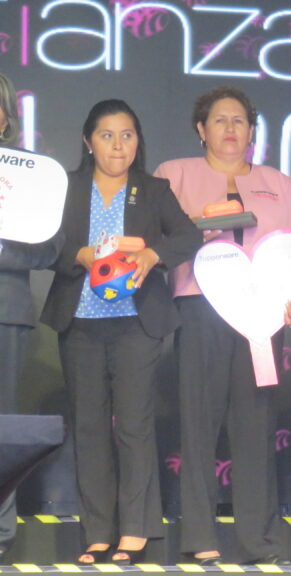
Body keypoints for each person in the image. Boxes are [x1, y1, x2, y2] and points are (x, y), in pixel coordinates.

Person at [40, 99, 201, 565]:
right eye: (107, 135)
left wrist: (153, 255)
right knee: (89, 428)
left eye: (127, 135)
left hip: (137, 323)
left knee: (134, 426)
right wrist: (79, 254)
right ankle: (97, 533)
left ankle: (134, 531)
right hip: (80, 322)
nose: (118, 145)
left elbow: (188, 235)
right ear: (88, 142)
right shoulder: (68, 188)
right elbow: (45, 243)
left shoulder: (153, 190)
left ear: (137, 141)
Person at [154, 86, 291, 566]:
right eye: (220, 120)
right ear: (201, 129)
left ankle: (259, 541)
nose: (230, 129)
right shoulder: (174, 174)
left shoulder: (278, 182)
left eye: (240, 120)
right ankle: (201, 536)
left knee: (256, 426)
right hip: (201, 307)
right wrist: (194, 225)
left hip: (262, 315)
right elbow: (156, 239)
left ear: (252, 131)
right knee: (199, 424)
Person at [0, 73, 64, 565]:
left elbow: (49, 249)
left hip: (7, 313)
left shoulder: (32, 176)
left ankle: (0, 534)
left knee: (2, 427)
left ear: (7, 117)